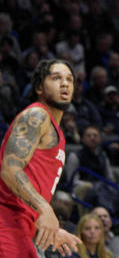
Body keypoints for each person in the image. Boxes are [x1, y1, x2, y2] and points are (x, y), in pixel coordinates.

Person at [0, 58, 81, 255]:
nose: (65, 83)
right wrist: (46, 209)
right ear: (39, 87)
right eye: (56, 78)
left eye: (69, 79)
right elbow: (9, 169)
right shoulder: (37, 115)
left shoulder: (57, 133)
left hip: (23, 224)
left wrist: (46, 227)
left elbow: (29, 190)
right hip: (5, 219)